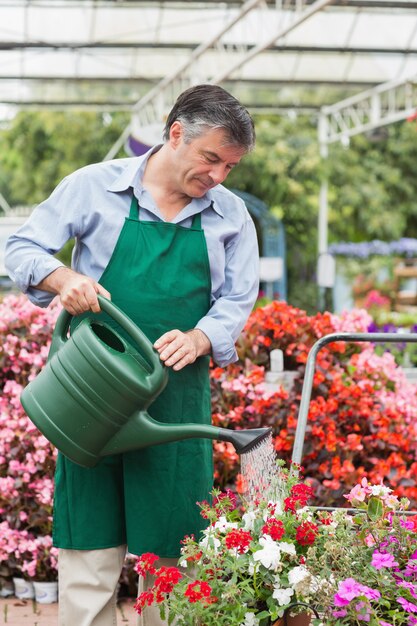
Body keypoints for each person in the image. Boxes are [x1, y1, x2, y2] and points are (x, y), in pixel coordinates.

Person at [5, 83, 259, 626]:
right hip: (91, 397)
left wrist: (199, 338)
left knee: (172, 558)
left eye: (229, 167)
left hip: (177, 399)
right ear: (175, 135)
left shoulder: (231, 216)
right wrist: (63, 276)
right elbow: (20, 249)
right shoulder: (93, 187)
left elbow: (237, 300)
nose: (217, 176)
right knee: (90, 550)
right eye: (210, 158)